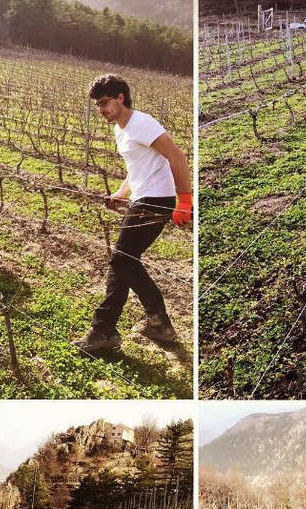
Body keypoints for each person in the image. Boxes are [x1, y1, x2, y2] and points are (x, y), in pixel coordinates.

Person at [72, 74, 193, 354]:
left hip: (157, 199)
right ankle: (134, 327)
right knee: (122, 262)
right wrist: (121, 193)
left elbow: (177, 157)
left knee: (122, 260)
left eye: (104, 103)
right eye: (97, 105)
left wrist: (184, 200)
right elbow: (135, 168)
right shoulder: (120, 128)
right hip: (142, 197)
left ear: (120, 98)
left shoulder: (142, 123)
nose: (100, 110)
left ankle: (111, 329)